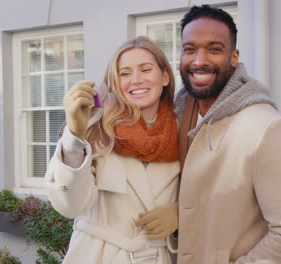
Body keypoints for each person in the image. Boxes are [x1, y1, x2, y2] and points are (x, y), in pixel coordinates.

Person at [175, 5, 281, 264]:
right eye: (190, 49)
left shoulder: (265, 127)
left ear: (233, 57)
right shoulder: (178, 115)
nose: (199, 61)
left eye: (214, 49)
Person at [45, 36, 180, 264]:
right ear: (115, 81)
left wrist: (181, 214)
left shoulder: (184, 131)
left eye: (146, 69)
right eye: (125, 73)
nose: (135, 80)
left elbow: (207, 195)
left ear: (165, 76)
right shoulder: (94, 128)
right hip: (96, 256)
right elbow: (70, 206)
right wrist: (75, 137)